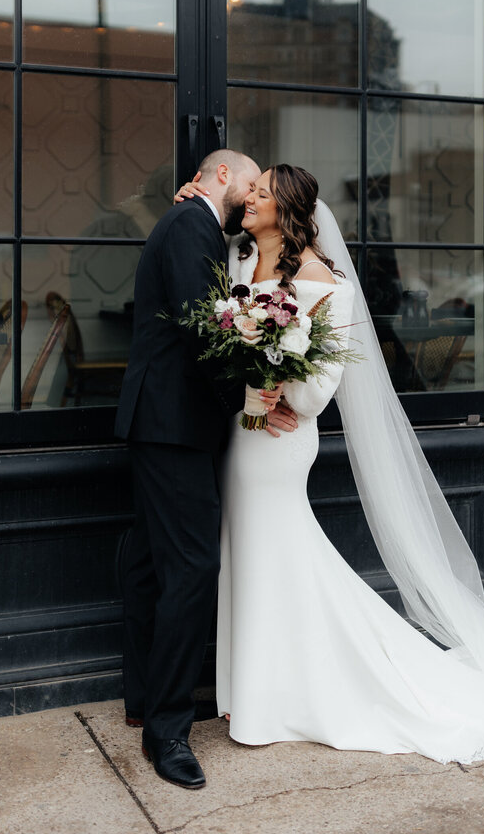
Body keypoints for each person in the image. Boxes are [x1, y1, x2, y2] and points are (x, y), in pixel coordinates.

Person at [179, 162, 484, 830]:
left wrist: (273, 386)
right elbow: (223, 320)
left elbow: (320, 392)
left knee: (280, 556)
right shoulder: (241, 262)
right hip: (243, 435)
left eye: (259, 194)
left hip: (280, 443)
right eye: (246, 191)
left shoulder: (326, 283)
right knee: (250, 559)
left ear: (286, 210)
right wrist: (195, 196)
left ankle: (276, 700)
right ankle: (247, 694)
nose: (247, 200)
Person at [114, 149, 296, 791]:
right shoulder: (192, 223)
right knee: (191, 568)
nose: (251, 198)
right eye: (248, 184)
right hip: (174, 425)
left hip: (159, 422)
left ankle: (143, 700)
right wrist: (249, 403)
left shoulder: (192, 223)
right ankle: (168, 731)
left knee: (149, 563)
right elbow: (202, 331)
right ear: (221, 175)